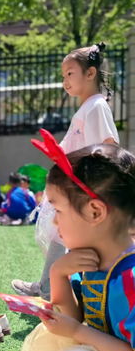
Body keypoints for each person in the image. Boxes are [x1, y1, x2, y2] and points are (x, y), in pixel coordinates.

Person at [8, 137, 135, 351]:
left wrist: (80, 332)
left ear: (94, 211)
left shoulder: (131, 278)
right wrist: (60, 274)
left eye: (57, 210)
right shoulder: (91, 262)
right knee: (55, 343)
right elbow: (72, 320)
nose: (53, 222)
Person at [12, 42, 119, 301]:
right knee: (64, 235)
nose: (65, 80)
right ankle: (52, 287)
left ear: (90, 73)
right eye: (63, 76)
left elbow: (108, 145)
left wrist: (92, 181)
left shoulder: (96, 106)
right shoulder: (87, 107)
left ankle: (60, 289)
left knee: (73, 237)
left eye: (70, 73)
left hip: (86, 187)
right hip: (77, 185)